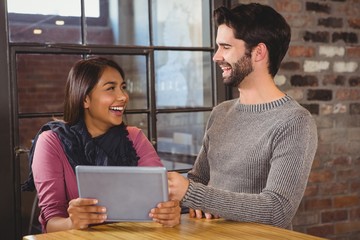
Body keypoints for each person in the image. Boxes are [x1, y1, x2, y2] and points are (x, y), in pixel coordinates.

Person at [167, 3, 318, 229]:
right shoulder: (221, 113)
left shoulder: (295, 121)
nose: (216, 57)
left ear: (258, 52)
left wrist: (192, 193)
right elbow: (199, 181)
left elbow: (277, 210)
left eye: (225, 47)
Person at [22, 57, 181, 232]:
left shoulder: (134, 137)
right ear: (85, 99)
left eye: (123, 87)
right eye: (110, 88)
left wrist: (169, 212)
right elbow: (51, 223)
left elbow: (161, 198)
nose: (123, 97)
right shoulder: (51, 142)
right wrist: (71, 223)